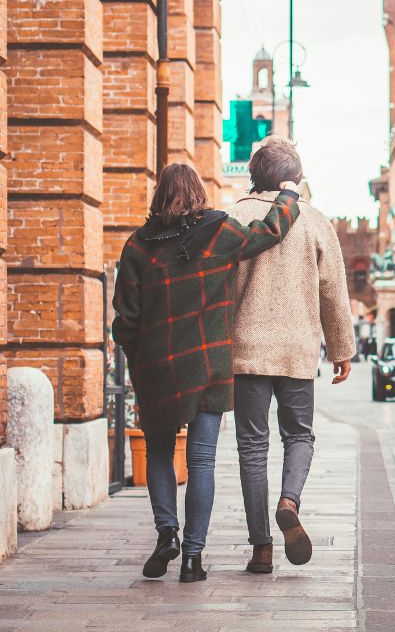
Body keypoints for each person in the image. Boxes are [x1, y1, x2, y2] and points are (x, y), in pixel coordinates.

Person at [112, 163, 301, 583]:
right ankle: (193, 558)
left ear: (159, 195)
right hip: (208, 364)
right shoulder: (219, 233)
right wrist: (289, 194)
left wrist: (140, 356)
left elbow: (124, 319)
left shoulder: (139, 246)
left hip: (158, 367)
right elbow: (269, 232)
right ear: (199, 193)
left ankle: (167, 533)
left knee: (160, 453)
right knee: (201, 460)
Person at [226, 138, 356, 575]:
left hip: (244, 351)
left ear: (254, 174)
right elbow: (333, 292)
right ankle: (289, 500)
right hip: (298, 349)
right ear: (293, 179)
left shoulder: (232, 218)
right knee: (299, 436)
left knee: (252, 447)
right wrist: (341, 349)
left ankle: (261, 548)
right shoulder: (315, 221)